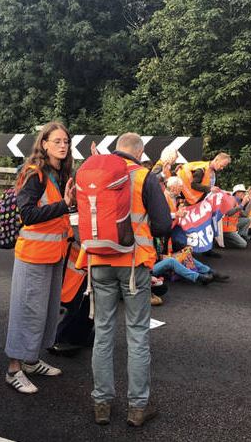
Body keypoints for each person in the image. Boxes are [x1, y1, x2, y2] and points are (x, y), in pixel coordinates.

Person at [81, 133, 171, 427]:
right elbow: (161, 225)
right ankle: (137, 408)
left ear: (116, 149)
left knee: (103, 333)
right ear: (139, 151)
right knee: (137, 335)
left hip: (98, 261)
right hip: (132, 264)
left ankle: (101, 404)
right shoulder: (144, 176)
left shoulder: (95, 171)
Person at [4, 121, 76, 394]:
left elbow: (58, 212)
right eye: (56, 140)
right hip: (33, 255)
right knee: (26, 311)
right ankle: (13, 369)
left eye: (65, 141)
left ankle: (32, 361)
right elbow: (29, 214)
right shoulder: (34, 173)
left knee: (44, 311)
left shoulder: (59, 173)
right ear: (43, 144)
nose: (62, 145)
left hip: (53, 253)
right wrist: (64, 205)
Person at [222, 184, 251, 249]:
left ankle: (241, 237)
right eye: (243, 192)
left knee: (247, 220)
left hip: (231, 226)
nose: (244, 194)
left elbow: (245, 215)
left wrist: (250, 202)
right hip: (226, 229)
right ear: (237, 192)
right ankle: (222, 242)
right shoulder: (231, 199)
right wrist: (242, 204)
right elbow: (228, 213)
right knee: (243, 244)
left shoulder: (237, 202)